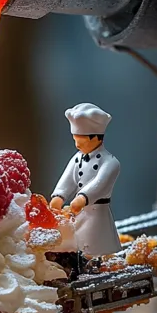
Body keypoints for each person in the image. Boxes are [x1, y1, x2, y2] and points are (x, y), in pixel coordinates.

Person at [50, 103, 120, 265]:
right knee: (76, 245)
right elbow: (67, 178)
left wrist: (83, 197)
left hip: (97, 212)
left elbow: (100, 183)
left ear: (95, 138)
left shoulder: (110, 162)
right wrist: (59, 196)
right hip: (78, 212)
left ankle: (99, 266)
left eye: (80, 141)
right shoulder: (77, 158)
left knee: (96, 245)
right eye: (75, 140)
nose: (77, 145)